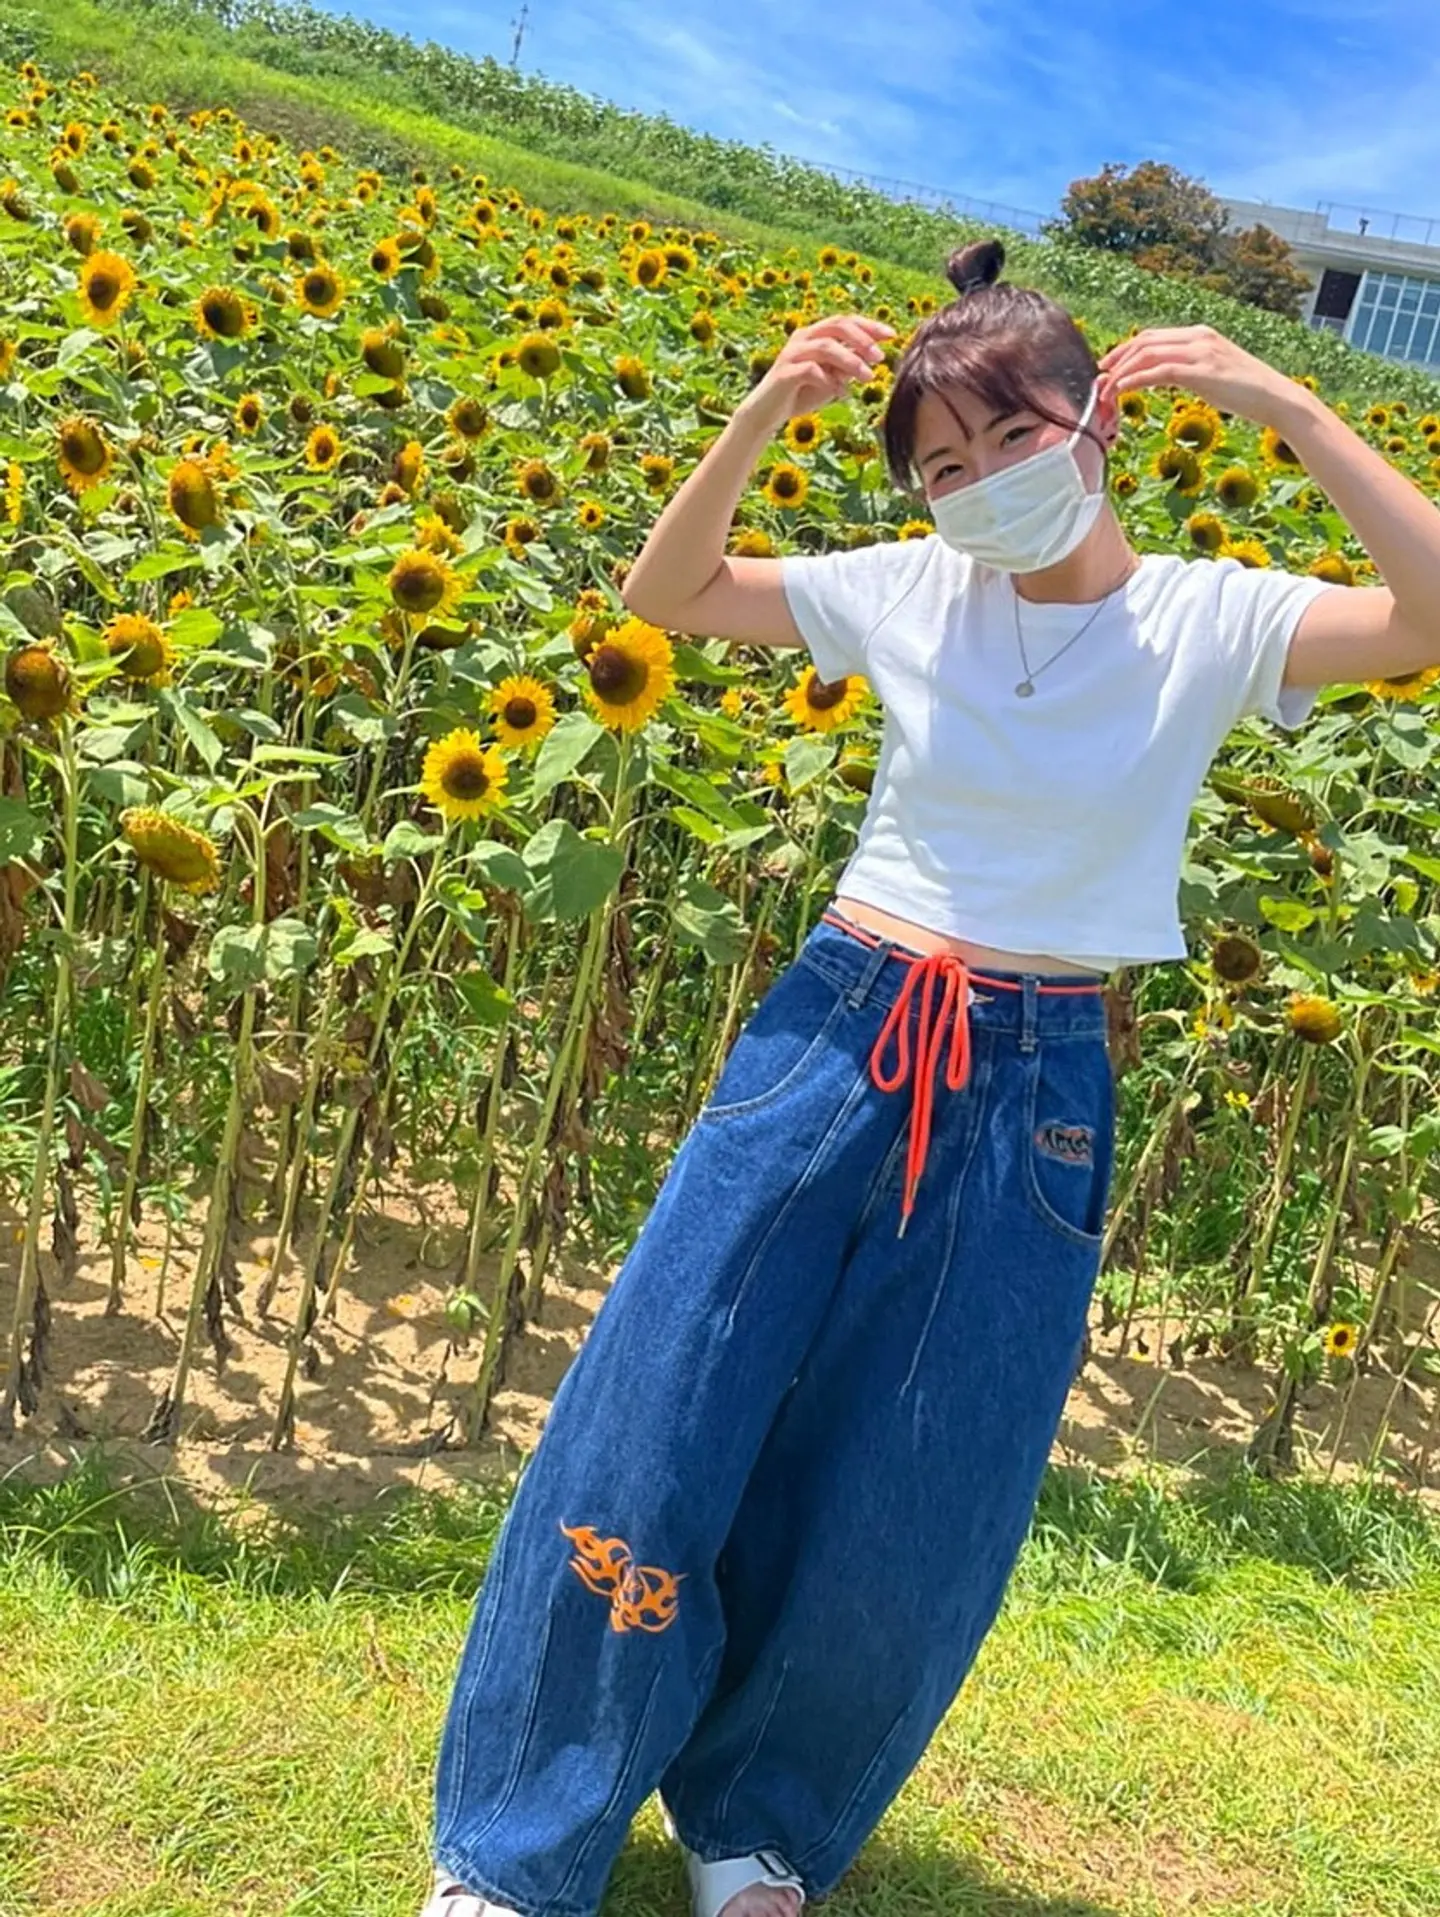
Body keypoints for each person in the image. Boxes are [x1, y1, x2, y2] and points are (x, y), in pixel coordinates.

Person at [422, 236, 1440, 1917]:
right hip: (839, 1026)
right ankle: (520, 1847)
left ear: (1096, 419)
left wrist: (1289, 405)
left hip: (1037, 1076)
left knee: (921, 1481)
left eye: (1010, 440)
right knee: (659, 1405)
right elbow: (671, 595)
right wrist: (763, 409)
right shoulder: (912, 588)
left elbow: (1430, 612)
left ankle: (758, 1826)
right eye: (942, 467)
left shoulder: (1209, 616)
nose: (977, 487)